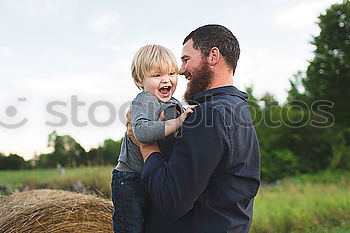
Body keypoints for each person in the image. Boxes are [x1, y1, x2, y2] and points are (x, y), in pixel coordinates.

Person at [127, 24, 261, 233]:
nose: (181, 71)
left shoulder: (209, 114)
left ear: (213, 56)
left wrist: (145, 145)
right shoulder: (238, 108)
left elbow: (171, 199)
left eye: (186, 59)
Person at [111, 44, 195, 233]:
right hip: (130, 179)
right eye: (157, 76)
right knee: (130, 228)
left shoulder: (173, 103)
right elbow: (141, 132)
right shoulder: (145, 99)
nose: (166, 80)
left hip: (150, 175)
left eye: (172, 73)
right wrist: (178, 122)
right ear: (139, 80)